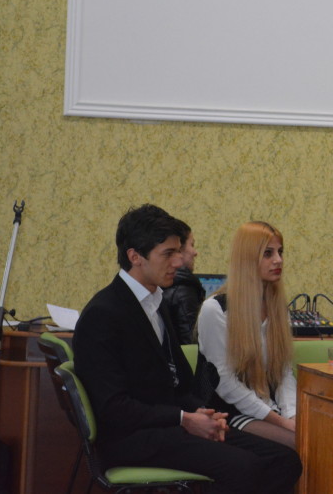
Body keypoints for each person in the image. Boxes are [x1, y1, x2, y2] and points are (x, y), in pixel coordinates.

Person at [73, 205, 301, 493]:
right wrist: (184, 419)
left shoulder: (156, 302)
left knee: (284, 460)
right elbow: (113, 408)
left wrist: (202, 414)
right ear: (135, 257)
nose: (180, 261)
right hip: (131, 438)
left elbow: (179, 384)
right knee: (244, 466)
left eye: (179, 251)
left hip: (169, 426)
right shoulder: (104, 313)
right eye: (169, 253)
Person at [198, 221, 297, 449]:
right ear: (247, 259)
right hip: (226, 412)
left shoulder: (277, 309)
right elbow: (226, 384)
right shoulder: (215, 310)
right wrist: (281, 422)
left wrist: (292, 416)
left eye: (280, 252)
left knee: (319, 437)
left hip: (269, 408)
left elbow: (284, 373)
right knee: (299, 443)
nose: (278, 260)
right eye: (268, 253)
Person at [162, 219, 203, 344]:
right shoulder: (183, 290)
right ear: (179, 248)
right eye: (192, 245)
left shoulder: (164, 284)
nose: (195, 252)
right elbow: (191, 342)